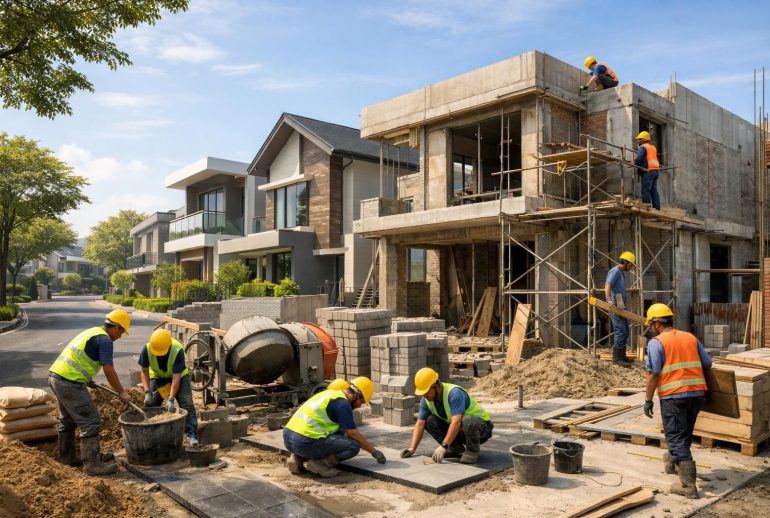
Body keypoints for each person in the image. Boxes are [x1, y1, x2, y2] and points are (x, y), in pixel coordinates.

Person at [48, 309, 132, 475]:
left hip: (55, 377)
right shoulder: (106, 340)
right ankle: (93, 465)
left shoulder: (93, 332)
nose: (121, 336)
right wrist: (121, 391)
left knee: (67, 420)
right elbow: (108, 369)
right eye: (122, 331)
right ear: (116, 327)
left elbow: (80, 357)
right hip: (69, 382)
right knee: (91, 421)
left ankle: (68, 458)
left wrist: (87, 380)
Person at [643, 303, 712, 499]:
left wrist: (648, 400)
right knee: (684, 433)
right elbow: (707, 362)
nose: (651, 328)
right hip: (697, 395)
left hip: (674, 397)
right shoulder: (690, 337)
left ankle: (688, 486)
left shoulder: (657, 343)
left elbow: (653, 373)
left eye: (651, 324)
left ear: (657, 323)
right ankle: (672, 462)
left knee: (675, 437)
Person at [283, 376, 386, 477]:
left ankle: (297, 458)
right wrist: (373, 451)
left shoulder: (328, 394)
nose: (360, 405)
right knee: (353, 446)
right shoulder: (342, 404)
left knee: (338, 433)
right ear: (356, 395)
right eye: (362, 401)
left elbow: (341, 431)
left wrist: (366, 444)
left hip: (288, 439)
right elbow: (352, 433)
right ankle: (319, 464)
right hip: (304, 442)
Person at [400, 367, 493, 465]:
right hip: (460, 430)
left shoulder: (454, 393)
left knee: (468, 420)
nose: (424, 395)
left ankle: (472, 451)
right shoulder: (426, 400)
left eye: (426, 391)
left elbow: (456, 422)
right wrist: (412, 448)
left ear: (435, 385)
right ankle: (454, 447)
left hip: (481, 429)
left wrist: (443, 446)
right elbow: (420, 424)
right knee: (429, 420)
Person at [139, 328, 198, 446]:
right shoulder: (147, 349)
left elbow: (176, 378)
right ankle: (151, 435)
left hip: (180, 377)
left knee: (186, 403)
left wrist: (171, 399)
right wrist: (147, 391)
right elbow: (144, 371)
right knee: (151, 404)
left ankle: (191, 435)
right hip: (158, 377)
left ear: (169, 345)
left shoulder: (177, 350)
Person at [605, 251, 636, 366]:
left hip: (620, 304)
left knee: (625, 330)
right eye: (631, 264)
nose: (632, 267)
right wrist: (609, 300)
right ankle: (617, 359)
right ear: (626, 262)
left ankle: (622, 356)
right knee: (620, 330)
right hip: (615, 305)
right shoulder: (615, 271)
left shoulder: (621, 272)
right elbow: (608, 285)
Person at [635, 131, 661, 210]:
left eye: (639, 139)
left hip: (648, 171)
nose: (638, 141)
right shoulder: (653, 147)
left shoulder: (643, 147)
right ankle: (657, 208)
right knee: (653, 190)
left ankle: (647, 208)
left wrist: (635, 163)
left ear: (643, 140)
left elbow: (639, 159)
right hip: (655, 171)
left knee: (646, 190)